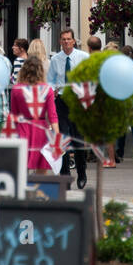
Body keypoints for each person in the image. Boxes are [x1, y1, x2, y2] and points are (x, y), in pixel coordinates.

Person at [48, 28, 89, 189]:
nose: (66, 42)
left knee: (78, 140)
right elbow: (50, 80)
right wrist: (53, 90)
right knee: (62, 140)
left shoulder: (83, 57)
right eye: (63, 39)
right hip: (62, 102)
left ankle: (82, 173)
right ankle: (65, 176)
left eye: (68, 39)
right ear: (60, 41)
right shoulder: (55, 59)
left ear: (73, 41)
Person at [9, 55, 59, 170]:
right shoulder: (47, 89)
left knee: (22, 168)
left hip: (23, 128)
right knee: (42, 169)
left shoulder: (16, 89)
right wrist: (57, 136)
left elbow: (14, 115)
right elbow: (52, 115)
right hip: (42, 130)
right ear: (40, 71)